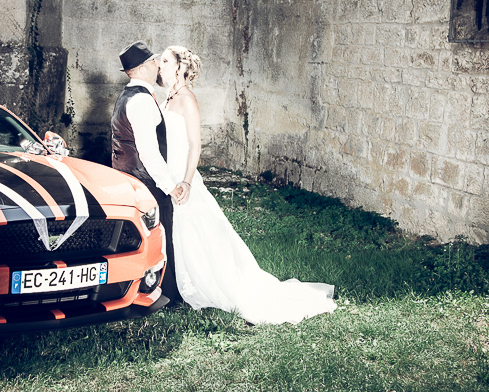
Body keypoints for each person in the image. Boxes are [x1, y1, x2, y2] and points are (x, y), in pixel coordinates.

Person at [157, 46, 337, 324]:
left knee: (197, 228)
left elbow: (195, 146)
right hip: (168, 173)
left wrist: (187, 181)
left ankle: (209, 284)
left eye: (166, 60)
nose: (160, 64)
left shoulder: (187, 100)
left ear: (180, 66)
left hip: (183, 174)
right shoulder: (167, 97)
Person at [111, 41, 189, 304]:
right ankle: (165, 295)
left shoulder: (127, 96)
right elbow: (148, 152)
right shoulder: (142, 101)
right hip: (146, 182)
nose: (158, 65)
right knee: (160, 236)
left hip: (127, 178)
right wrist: (169, 186)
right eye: (155, 61)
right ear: (143, 68)